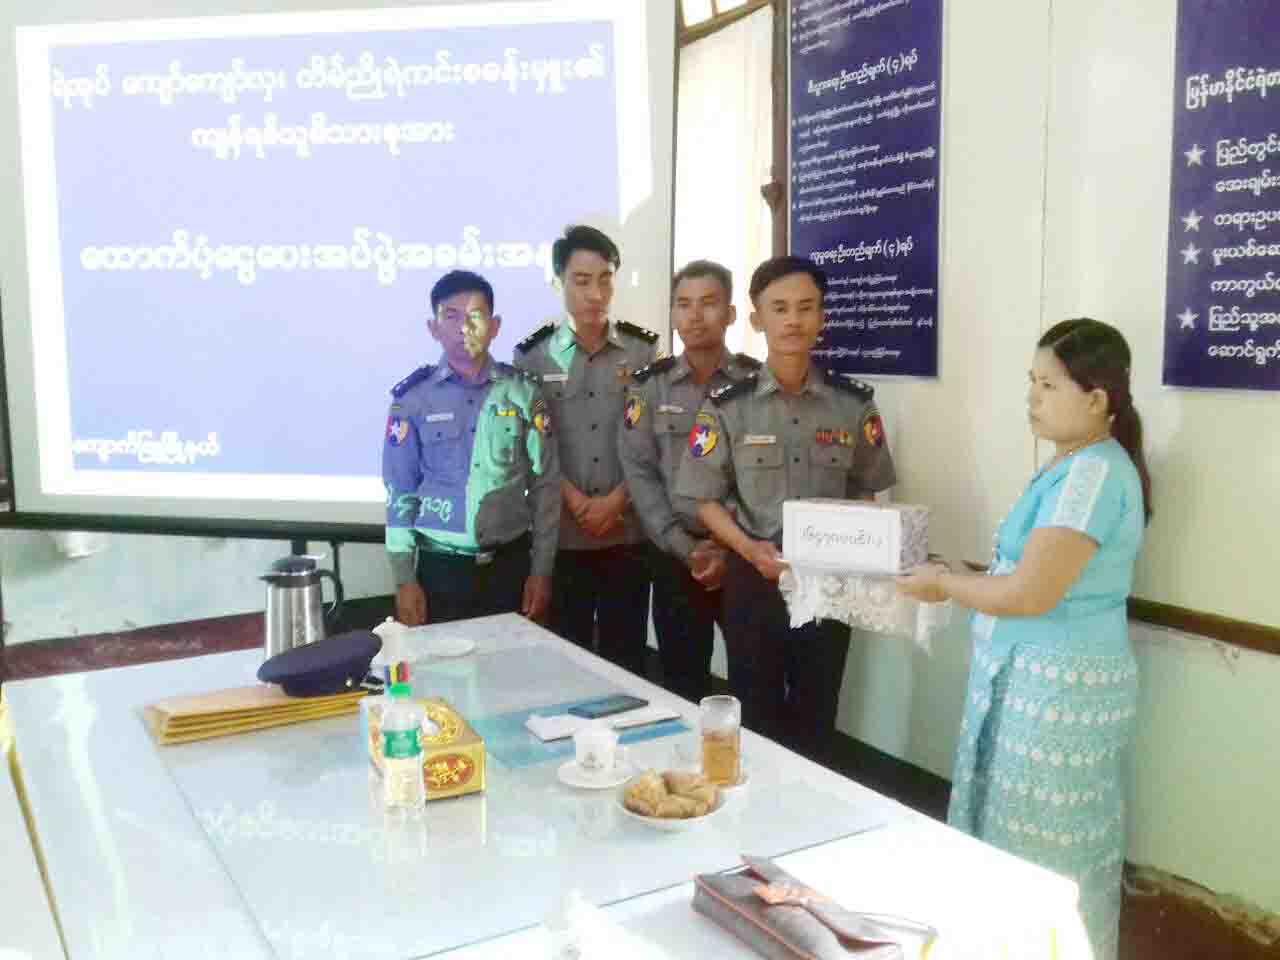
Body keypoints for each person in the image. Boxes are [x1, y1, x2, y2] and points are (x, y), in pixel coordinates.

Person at [897, 318, 1151, 960]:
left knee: (1043, 853)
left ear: (1097, 399)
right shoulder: (1072, 465)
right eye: (1031, 382)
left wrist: (944, 585)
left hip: (1057, 692)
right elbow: (1025, 571)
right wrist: (962, 572)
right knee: (1007, 843)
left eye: (1048, 385)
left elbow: (1032, 594)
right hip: (1027, 681)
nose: (1031, 398)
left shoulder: (1093, 475)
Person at [675, 255, 896, 762]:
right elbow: (705, 499)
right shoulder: (728, 406)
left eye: (805, 307)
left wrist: (856, 547)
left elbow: (868, 489)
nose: (793, 320)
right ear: (757, 319)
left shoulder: (852, 404)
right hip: (755, 582)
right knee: (756, 718)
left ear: (822, 317)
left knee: (818, 716)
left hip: (827, 585)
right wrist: (748, 549)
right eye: (779, 308)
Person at [513, 225, 658, 675]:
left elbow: (654, 442)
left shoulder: (643, 351)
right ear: (559, 282)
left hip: (627, 534)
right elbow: (532, 448)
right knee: (566, 665)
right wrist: (574, 500)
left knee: (626, 664)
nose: (596, 294)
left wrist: (617, 500)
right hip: (564, 539)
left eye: (605, 279)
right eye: (581, 281)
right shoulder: (533, 358)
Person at [618, 260, 760, 704]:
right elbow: (639, 471)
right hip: (674, 557)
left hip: (743, 559)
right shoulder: (650, 386)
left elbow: (761, 478)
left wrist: (728, 545)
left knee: (753, 682)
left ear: (730, 313)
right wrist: (685, 546)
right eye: (684, 304)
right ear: (673, 314)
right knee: (682, 685)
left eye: (708, 303)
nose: (695, 316)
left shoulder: (756, 383)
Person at [383, 270, 559, 626]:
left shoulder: (524, 393)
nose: (464, 327)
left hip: (510, 568)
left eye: (475, 316)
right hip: (440, 571)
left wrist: (541, 570)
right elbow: (399, 490)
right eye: (451, 316)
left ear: (494, 326)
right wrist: (404, 578)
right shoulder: (412, 400)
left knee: (513, 661)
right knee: (440, 663)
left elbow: (546, 486)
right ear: (434, 328)